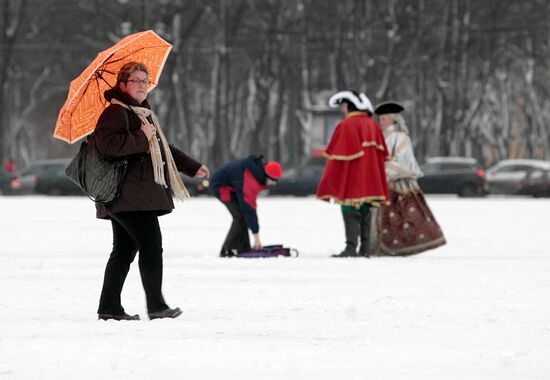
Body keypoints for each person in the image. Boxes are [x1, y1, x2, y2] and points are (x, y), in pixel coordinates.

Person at [94, 62, 209, 321]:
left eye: (145, 81)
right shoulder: (115, 112)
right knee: (151, 246)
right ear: (122, 85)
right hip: (127, 195)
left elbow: (163, 148)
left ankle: (109, 308)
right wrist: (141, 136)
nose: (142, 85)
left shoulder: (141, 114)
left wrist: (194, 167)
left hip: (133, 196)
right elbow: (107, 146)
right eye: (135, 81)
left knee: (123, 251)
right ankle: (156, 306)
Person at [316, 91, 391, 258]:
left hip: (352, 178)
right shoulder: (373, 125)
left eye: (344, 106)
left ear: (350, 106)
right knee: (366, 209)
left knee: (349, 208)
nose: (343, 110)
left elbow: (338, 156)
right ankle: (365, 248)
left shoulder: (347, 125)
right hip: (371, 178)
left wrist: (332, 180)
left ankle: (350, 247)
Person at [373, 101, 446, 256]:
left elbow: (403, 161)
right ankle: (384, 246)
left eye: (384, 118)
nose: (381, 121)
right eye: (380, 118)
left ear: (393, 119)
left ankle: (401, 246)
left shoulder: (400, 137)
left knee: (403, 215)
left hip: (399, 183)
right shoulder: (383, 136)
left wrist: (383, 169)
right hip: (384, 182)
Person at [209, 155, 282, 257]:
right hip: (220, 186)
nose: (274, 183)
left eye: (276, 180)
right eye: (273, 180)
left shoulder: (257, 172)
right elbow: (249, 208)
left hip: (232, 186)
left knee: (243, 216)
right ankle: (226, 249)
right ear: (266, 175)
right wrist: (256, 237)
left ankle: (243, 247)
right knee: (239, 217)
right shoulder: (251, 179)